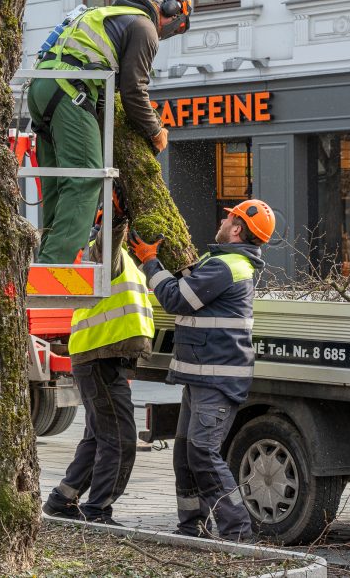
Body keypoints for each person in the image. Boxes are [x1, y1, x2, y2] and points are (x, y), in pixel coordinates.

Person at [129, 199, 275, 542]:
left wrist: (151, 262)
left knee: (203, 453)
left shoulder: (227, 266)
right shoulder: (220, 263)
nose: (223, 219)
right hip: (201, 376)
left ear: (237, 229)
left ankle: (237, 532)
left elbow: (178, 299)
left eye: (230, 217)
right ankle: (191, 525)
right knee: (185, 455)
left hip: (217, 378)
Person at [28, 0, 192, 264]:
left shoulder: (108, 14)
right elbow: (133, 90)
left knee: (59, 181)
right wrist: (154, 130)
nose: (168, 32)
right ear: (172, 9)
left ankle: (48, 256)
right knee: (87, 178)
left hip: (41, 89)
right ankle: (59, 263)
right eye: (175, 26)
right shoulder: (144, 27)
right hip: (71, 92)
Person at [41, 206, 155, 526]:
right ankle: (98, 511)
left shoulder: (116, 262)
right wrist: (117, 216)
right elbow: (111, 238)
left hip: (101, 358)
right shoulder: (104, 255)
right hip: (99, 359)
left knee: (98, 437)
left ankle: (62, 499)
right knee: (120, 438)